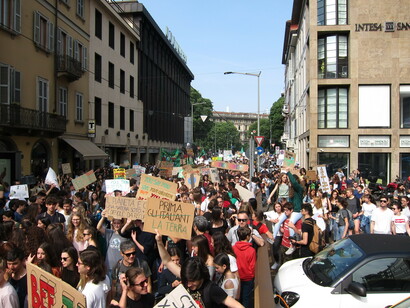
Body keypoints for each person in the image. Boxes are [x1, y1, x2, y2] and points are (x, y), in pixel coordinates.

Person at [155, 231, 244, 308]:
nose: (188, 285)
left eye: (192, 281)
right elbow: (167, 261)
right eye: (186, 281)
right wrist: (159, 241)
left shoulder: (211, 289)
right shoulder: (187, 277)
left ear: (201, 277)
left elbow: (236, 305)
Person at [233, 226, 256, 308]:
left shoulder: (234, 248)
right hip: (248, 278)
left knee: (237, 298)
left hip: (237, 277)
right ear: (247, 237)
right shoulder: (251, 250)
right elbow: (252, 266)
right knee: (246, 299)